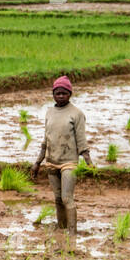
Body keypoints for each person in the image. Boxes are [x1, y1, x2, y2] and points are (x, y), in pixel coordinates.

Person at [31, 74, 92, 245]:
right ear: (53, 94)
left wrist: (89, 163)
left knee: (67, 198)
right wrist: (37, 162)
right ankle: (61, 228)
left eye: (64, 93)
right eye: (57, 93)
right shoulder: (50, 112)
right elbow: (46, 140)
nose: (60, 96)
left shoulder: (77, 114)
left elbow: (81, 141)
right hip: (51, 161)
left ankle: (72, 233)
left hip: (69, 162)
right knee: (57, 199)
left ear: (70, 94)